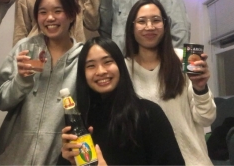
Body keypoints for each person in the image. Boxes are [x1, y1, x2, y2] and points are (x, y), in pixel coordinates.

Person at [0, 0, 83, 165]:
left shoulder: (84, 57)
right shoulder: (25, 48)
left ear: (71, 14)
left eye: (58, 11)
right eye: (43, 12)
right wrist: (21, 80)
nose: (50, 18)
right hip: (13, 156)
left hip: (57, 158)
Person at [59, 37, 185, 165]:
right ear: (83, 73)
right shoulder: (80, 121)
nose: (101, 71)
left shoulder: (148, 114)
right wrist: (70, 161)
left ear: (120, 65)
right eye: (91, 65)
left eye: (107, 62)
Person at [124, 0, 216, 165]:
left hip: (192, 161)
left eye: (156, 20)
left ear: (165, 25)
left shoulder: (183, 59)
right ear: (131, 27)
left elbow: (206, 119)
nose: (149, 26)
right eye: (142, 21)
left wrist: (200, 88)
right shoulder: (123, 69)